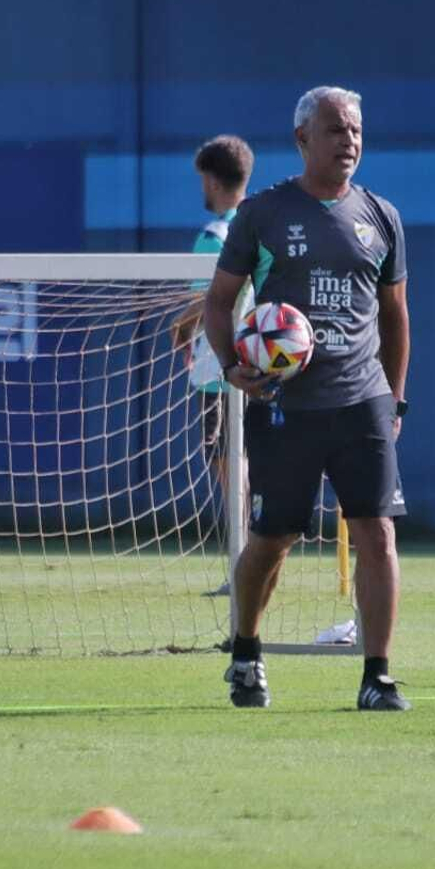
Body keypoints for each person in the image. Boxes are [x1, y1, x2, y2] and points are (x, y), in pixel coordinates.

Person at [201, 86, 411, 711]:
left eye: (356, 130)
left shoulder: (382, 216)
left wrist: (395, 401)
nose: (349, 141)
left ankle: (377, 676)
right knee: (273, 538)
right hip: (284, 406)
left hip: (363, 401)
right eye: (335, 130)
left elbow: (395, 315)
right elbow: (219, 302)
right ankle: (245, 653)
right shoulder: (263, 213)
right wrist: (232, 366)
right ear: (302, 139)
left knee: (377, 533)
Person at [169, 135, 255, 597]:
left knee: (229, 468)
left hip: (218, 367)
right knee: (246, 466)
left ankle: (244, 565)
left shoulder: (215, 235)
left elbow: (207, 300)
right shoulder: (260, 225)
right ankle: (255, 559)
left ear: (211, 180)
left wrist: (179, 328)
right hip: (262, 361)